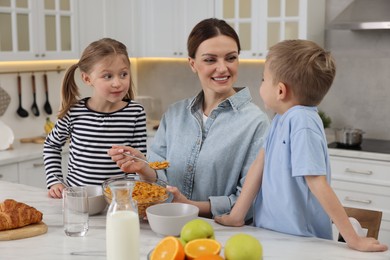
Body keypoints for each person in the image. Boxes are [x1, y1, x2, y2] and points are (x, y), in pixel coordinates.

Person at [214, 39, 388, 252]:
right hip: (271, 234)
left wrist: (353, 239)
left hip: (304, 242)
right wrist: (236, 216)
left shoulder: (302, 123)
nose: (260, 84)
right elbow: (258, 166)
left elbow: (317, 183)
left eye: (263, 79)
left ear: (280, 91)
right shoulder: (280, 119)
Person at [108, 18, 270, 218]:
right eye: (210, 60)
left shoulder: (256, 123)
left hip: (220, 233)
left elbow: (251, 201)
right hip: (165, 226)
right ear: (192, 64)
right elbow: (159, 181)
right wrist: (144, 167)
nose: (222, 68)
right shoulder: (175, 115)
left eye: (230, 58)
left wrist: (190, 205)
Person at [43, 38, 147, 199]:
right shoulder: (74, 112)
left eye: (123, 74)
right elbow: (51, 145)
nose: (117, 83)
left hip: (118, 200)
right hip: (79, 200)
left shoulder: (136, 112)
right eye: (108, 76)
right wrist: (55, 181)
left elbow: (139, 161)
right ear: (87, 78)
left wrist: (135, 193)